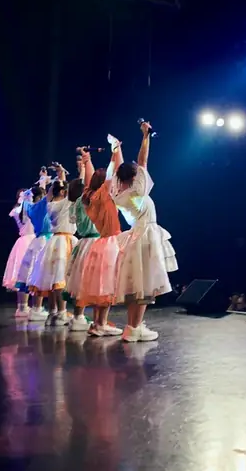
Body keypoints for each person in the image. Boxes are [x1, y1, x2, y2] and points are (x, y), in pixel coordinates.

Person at [110, 123, 174, 342]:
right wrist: (146, 136)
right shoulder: (138, 192)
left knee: (137, 285)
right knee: (146, 284)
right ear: (135, 176)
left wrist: (117, 151)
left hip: (135, 237)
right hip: (146, 236)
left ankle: (133, 326)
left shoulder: (120, 195)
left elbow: (125, 168)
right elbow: (143, 161)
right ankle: (134, 326)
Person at [75, 148, 124, 337]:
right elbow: (116, 170)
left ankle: (97, 323)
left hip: (100, 244)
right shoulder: (104, 195)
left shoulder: (89, 198)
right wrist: (115, 152)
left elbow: (88, 181)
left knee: (99, 287)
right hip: (111, 242)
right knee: (107, 286)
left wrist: (87, 160)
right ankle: (101, 323)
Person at [29, 164, 76, 326]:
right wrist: (61, 174)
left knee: (54, 279)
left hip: (54, 241)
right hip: (64, 241)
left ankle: (53, 312)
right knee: (60, 279)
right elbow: (70, 191)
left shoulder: (50, 205)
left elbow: (54, 192)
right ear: (63, 192)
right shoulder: (65, 204)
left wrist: (59, 176)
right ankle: (62, 312)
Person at [65, 156, 98, 333]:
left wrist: (84, 165)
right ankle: (99, 322)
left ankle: (78, 316)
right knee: (94, 281)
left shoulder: (76, 203)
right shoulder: (90, 200)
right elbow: (88, 184)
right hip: (94, 242)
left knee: (80, 281)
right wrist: (85, 164)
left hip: (83, 243)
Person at [16, 174, 51, 322]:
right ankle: (37, 307)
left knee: (30, 274)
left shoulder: (29, 207)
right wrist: (47, 181)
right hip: (45, 241)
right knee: (40, 275)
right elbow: (48, 195)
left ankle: (25, 307)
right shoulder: (42, 205)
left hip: (36, 241)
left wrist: (42, 181)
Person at [2, 188, 36, 317]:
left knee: (25, 275)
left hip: (24, 242)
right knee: (25, 275)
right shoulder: (24, 210)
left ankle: (23, 306)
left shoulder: (19, 210)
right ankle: (25, 307)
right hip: (30, 241)